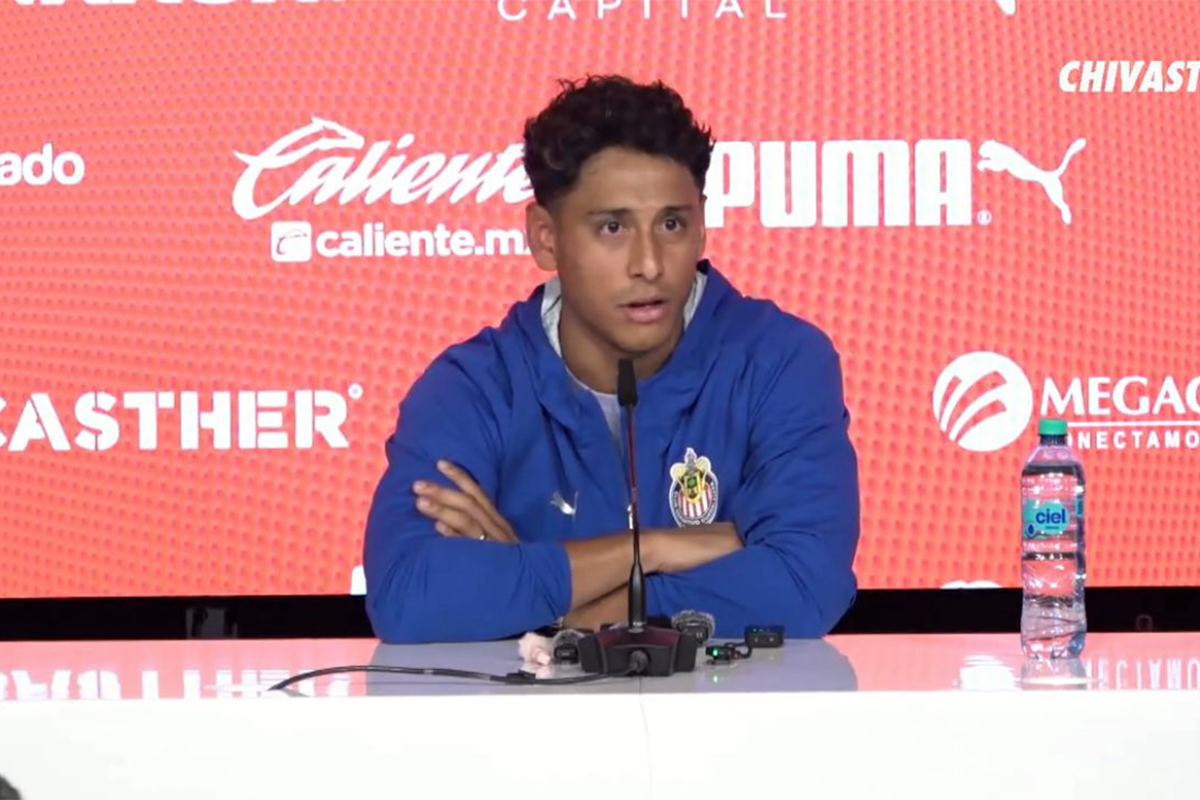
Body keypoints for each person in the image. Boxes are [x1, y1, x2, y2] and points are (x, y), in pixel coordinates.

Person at [363, 74, 859, 643]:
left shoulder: (781, 361)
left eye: (671, 224)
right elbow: (407, 597)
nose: (649, 263)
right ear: (545, 237)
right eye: (613, 227)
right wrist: (652, 549)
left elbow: (804, 585)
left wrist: (545, 605)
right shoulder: (472, 387)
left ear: (701, 226)